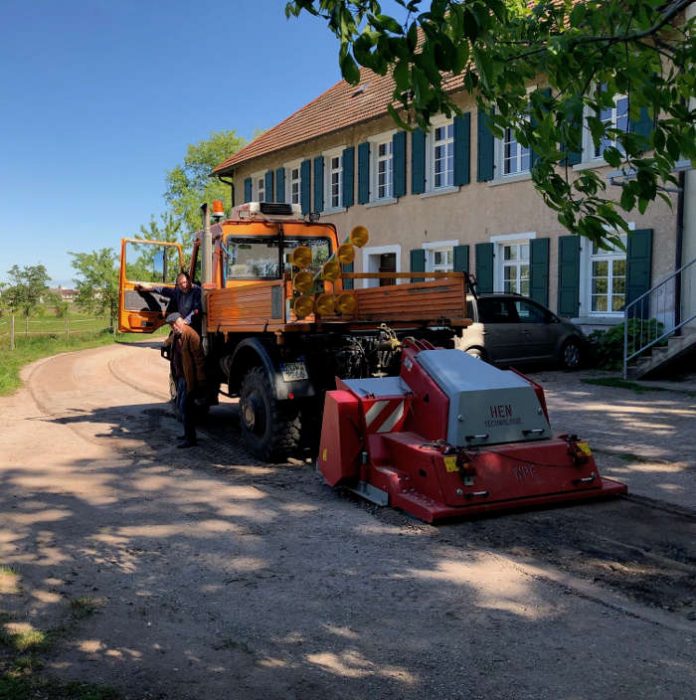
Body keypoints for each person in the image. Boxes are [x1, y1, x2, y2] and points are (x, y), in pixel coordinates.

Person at [164, 311, 206, 448]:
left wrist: (200, 380)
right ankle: (187, 434)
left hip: (189, 379)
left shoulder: (191, 335)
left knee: (186, 408)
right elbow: (168, 342)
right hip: (181, 377)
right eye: (171, 325)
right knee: (182, 408)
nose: (174, 327)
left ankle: (191, 439)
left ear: (182, 321)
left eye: (175, 323)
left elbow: (199, 360)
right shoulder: (177, 335)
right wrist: (165, 343)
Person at [136, 271, 203, 334]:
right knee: (171, 341)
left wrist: (185, 322)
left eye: (184, 282)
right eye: (180, 284)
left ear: (189, 280)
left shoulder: (197, 291)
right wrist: (149, 288)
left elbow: (196, 310)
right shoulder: (178, 291)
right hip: (183, 324)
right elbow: (163, 290)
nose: (183, 286)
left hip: (193, 325)